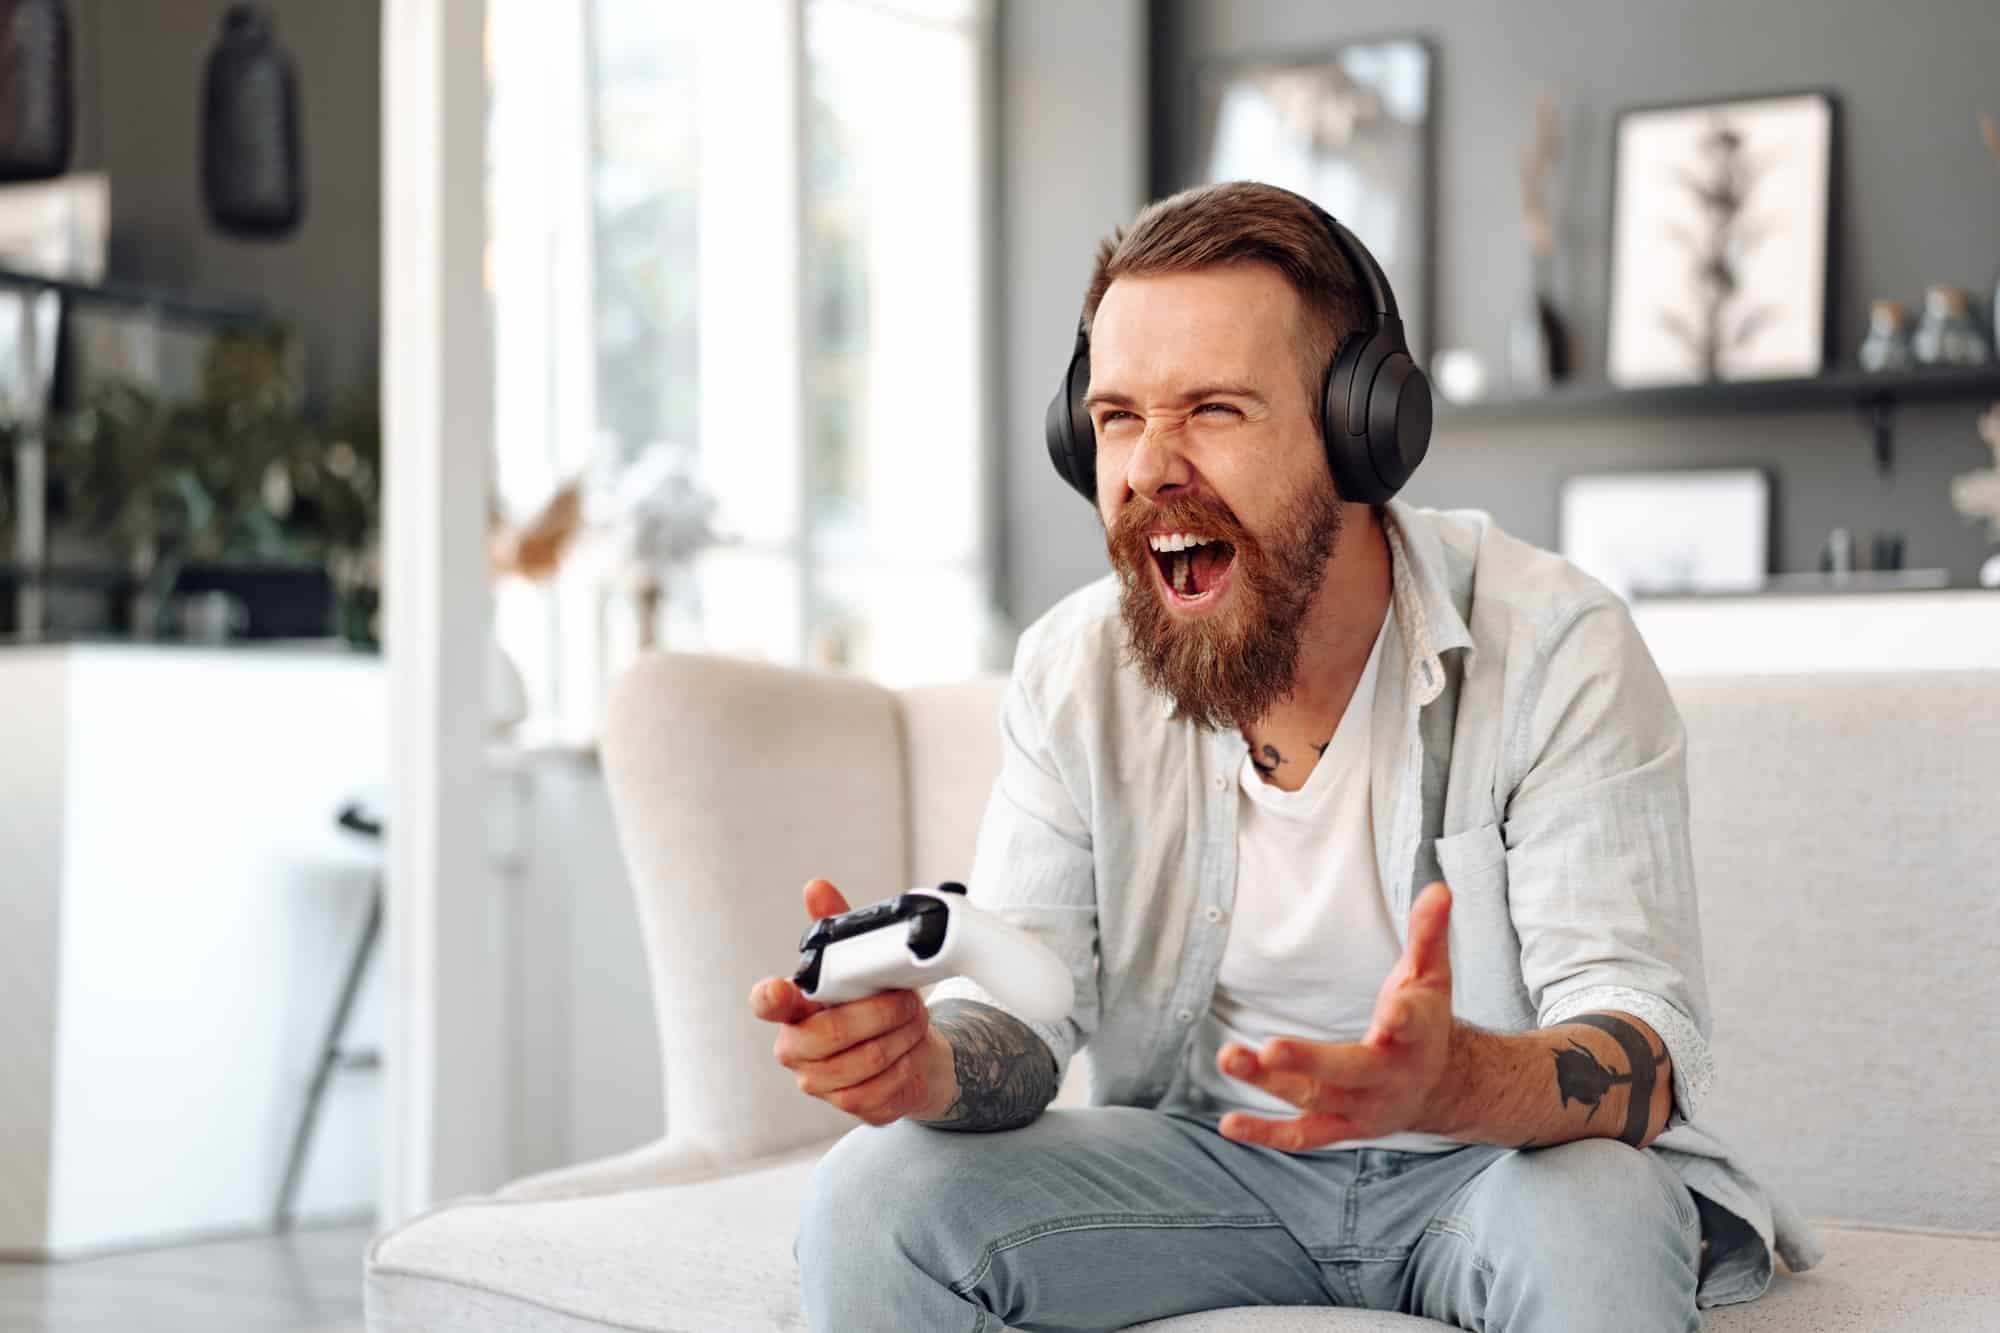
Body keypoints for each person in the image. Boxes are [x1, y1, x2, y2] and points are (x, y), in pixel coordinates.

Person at [749, 181, 1821, 1332]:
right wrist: (928, 1070)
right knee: (873, 1193)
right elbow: (1025, 1014)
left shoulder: (1555, 645)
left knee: (1602, 1216)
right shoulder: (1073, 669)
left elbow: (1643, 1044)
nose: (1149, 468)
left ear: (1363, 430)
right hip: (1206, 1166)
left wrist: (1451, 1079)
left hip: (1496, 1170)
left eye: (1211, 408)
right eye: (1115, 417)